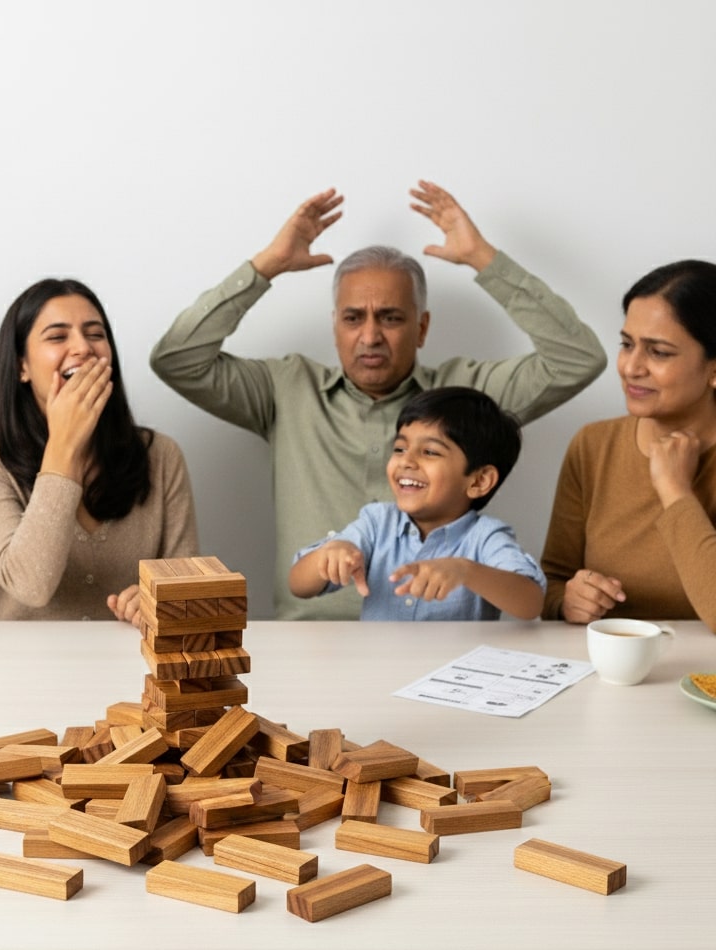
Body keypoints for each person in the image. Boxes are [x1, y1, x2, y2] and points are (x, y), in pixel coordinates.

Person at [151, 180, 606, 621]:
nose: (370, 336)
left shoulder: (467, 397)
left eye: (390, 317)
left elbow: (578, 360)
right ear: (335, 326)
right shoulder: (285, 388)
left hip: (443, 651)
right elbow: (176, 359)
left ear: (421, 327)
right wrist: (266, 266)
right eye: (353, 318)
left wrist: (484, 260)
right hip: (311, 645)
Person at [0, 277, 198, 623]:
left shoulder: (161, 455)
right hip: (13, 668)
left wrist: (163, 599)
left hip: (129, 665)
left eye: (96, 334)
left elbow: (187, 589)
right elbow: (30, 585)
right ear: (22, 365)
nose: (83, 348)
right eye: (57, 336)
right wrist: (64, 446)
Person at [541, 259, 716, 631]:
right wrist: (567, 600)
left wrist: (675, 490)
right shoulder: (593, 446)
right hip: (608, 674)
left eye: (659, 352)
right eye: (627, 344)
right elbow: (552, 581)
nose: (630, 367)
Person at [289, 387, 545, 620]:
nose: (406, 462)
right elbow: (298, 585)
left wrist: (466, 571)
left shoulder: (486, 537)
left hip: (455, 668)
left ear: (479, 481)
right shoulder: (377, 522)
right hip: (377, 666)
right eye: (400, 449)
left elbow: (531, 603)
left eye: (430, 452)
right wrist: (331, 553)